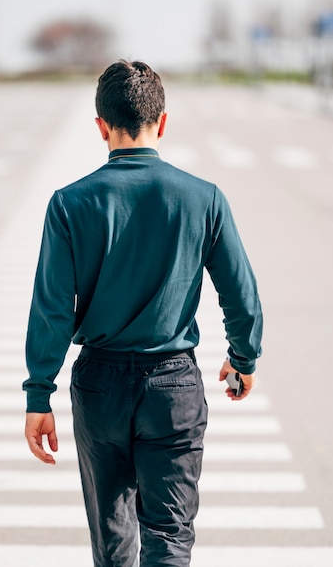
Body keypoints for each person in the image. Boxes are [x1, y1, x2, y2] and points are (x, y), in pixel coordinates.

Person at [23, 60, 263, 566]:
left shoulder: (69, 204)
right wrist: (243, 359)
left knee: (114, 546)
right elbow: (240, 293)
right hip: (173, 387)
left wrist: (38, 393)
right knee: (170, 536)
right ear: (163, 122)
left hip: (99, 386)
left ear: (101, 127)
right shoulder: (204, 199)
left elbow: (51, 308)